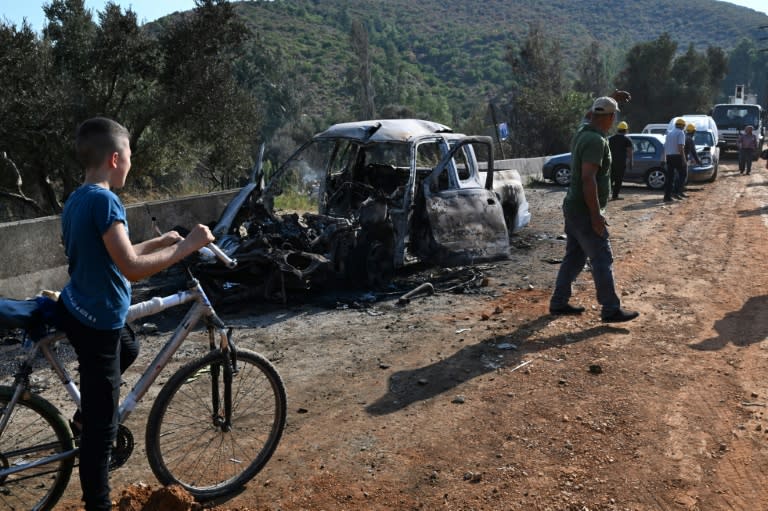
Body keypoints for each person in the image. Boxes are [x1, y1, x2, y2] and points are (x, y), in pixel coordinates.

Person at [56, 117, 214, 511]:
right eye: (129, 155)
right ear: (114, 158)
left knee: (130, 347)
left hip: (78, 307)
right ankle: (99, 503)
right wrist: (188, 246)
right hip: (97, 323)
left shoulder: (79, 198)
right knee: (101, 431)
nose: (131, 162)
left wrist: (159, 242)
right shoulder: (107, 201)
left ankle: (84, 416)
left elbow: (111, 253)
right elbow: (130, 268)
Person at [549, 97, 639, 323]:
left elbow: (590, 115)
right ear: (610, 117)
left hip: (573, 207)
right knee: (602, 257)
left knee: (574, 257)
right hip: (584, 210)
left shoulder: (582, 131)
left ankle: (559, 302)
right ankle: (610, 309)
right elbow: (588, 179)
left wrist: (609, 99)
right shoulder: (595, 141)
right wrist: (596, 214)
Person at [608, 121, 633, 200]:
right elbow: (629, 152)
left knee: (610, 179)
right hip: (621, 163)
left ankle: (605, 195)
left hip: (611, 162)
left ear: (618, 129)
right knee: (618, 180)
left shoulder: (610, 139)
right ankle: (615, 196)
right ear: (625, 130)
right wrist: (631, 162)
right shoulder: (627, 140)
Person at [664, 118, 687, 201]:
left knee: (670, 177)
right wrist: (684, 159)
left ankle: (667, 196)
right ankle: (677, 192)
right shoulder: (681, 133)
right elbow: (680, 147)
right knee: (682, 174)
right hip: (677, 157)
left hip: (669, 157)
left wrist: (664, 158)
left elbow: (665, 146)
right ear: (682, 126)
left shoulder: (669, 133)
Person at [683, 123, 701, 191]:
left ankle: (678, 190)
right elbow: (693, 152)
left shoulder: (684, 137)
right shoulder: (690, 139)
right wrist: (698, 161)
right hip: (684, 159)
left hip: (679, 158)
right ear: (693, 131)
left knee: (680, 175)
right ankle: (680, 190)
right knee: (683, 175)